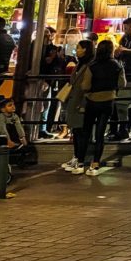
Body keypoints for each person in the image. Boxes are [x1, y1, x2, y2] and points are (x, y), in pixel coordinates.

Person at [76, 39, 126, 176]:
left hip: (92, 100)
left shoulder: (92, 66)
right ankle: (95, 164)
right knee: (100, 133)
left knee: (86, 132)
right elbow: (122, 83)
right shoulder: (117, 65)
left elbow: (85, 86)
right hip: (108, 100)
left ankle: (80, 162)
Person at [58, 39, 94, 172]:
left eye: (78, 48)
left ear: (85, 49)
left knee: (81, 131)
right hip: (75, 99)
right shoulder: (81, 63)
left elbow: (86, 85)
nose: (76, 50)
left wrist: (84, 103)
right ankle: (76, 156)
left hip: (81, 100)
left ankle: (80, 159)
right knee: (76, 130)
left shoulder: (89, 64)